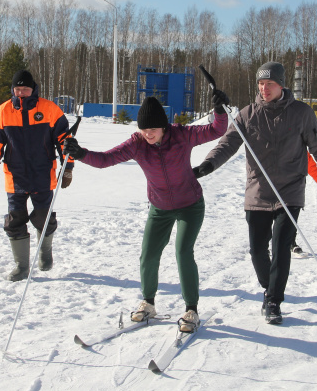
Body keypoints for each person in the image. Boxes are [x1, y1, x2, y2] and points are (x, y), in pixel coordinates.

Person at [62, 89, 229, 333]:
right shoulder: (137, 143)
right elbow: (106, 159)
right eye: (144, 129)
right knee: (148, 255)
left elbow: (216, 130)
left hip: (190, 205)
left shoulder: (182, 135)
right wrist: (81, 154)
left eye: (153, 129)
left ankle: (191, 308)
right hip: (159, 208)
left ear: (164, 127)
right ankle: (149, 303)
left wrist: (219, 111)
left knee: (183, 251)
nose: (148, 134)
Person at [193, 61, 317, 325]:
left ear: (282, 85)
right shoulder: (247, 114)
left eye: (270, 84)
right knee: (256, 250)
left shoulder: (301, 113)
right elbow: (227, 144)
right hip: (258, 191)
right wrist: (208, 165)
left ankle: (274, 300)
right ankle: (270, 287)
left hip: (290, 191)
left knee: (281, 246)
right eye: (261, 84)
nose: (264, 89)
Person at [0, 69, 74, 281]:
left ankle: (45, 252)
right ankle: (21, 266)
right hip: (15, 176)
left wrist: (68, 166)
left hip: (43, 174)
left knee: (43, 217)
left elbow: (64, 140)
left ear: (33, 89)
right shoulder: (3, 112)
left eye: (26, 89)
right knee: (15, 220)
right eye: (18, 89)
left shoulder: (50, 109)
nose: (22, 93)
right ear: (13, 90)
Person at [291, 153, 317, 255]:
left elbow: (310, 165)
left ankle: (291, 242)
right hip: (271, 187)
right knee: (268, 216)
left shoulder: (298, 143)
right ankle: (264, 245)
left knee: (291, 217)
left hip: (294, 189)